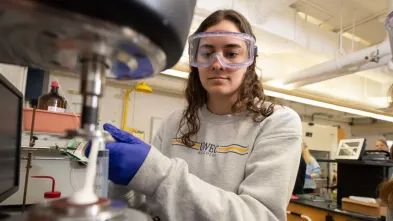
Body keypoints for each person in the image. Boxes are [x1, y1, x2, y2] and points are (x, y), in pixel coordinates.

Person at [89, 9, 302, 221]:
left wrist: (156, 174)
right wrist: (120, 183)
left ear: (250, 62)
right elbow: (150, 207)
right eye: (207, 54)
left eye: (231, 54)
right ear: (195, 61)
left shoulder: (277, 122)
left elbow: (261, 216)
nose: (217, 64)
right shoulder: (175, 122)